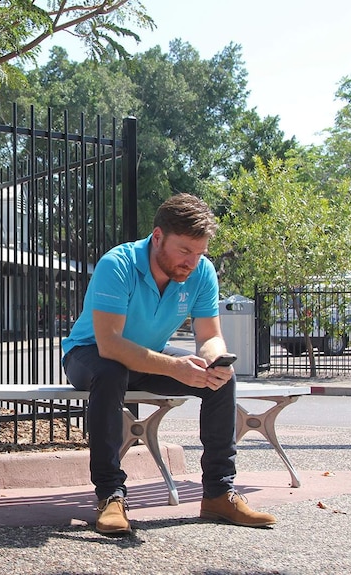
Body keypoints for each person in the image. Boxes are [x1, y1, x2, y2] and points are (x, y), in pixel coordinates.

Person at [61, 193, 276, 536]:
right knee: (111, 371)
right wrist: (175, 368)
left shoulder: (201, 271)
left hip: (149, 356)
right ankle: (110, 496)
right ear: (158, 236)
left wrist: (213, 360)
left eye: (200, 253)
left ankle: (219, 493)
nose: (192, 263)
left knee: (222, 380)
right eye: (184, 251)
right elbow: (110, 344)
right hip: (90, 355)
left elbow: (210, 336)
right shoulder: (117, 264)